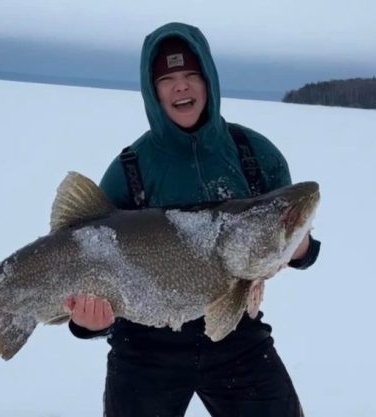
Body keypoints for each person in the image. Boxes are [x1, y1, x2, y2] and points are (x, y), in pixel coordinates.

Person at [63, 21, 321, 417]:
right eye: (166, 79)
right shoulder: (129, 170)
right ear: (153, 92)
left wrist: (300, 248)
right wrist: (89, 322)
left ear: (209, 80)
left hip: (238, 335)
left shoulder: (255, 155)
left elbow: (289, 240)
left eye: (190, 75)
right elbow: (82, 262)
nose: (180, 87)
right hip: (144, 346)